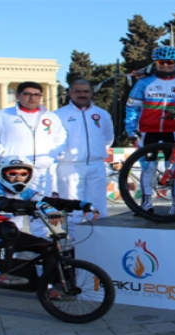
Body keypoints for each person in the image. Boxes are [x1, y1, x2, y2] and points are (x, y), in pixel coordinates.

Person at [0, 156, 99, 286]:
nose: (18, 178)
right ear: (2, 174)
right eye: (12, 174)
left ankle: (46, 288)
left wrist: (81, 204)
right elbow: (4, 204)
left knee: (48, 247)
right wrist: (36, 206)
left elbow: (50, 201)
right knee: (8, 228)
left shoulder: (25, 192)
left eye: (23, 174)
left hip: (0, 234)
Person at [0, 81, 67, 238]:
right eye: (27, 94)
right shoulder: (3, 115)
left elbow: (61, 138)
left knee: (41, 210)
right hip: (14, 173)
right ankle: (10, 249)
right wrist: (2, 154)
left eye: (36, 95)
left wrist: (53, 155)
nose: (32, 98)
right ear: (18, 95)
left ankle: (41, 247)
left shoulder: (51, 117)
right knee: (13, 212)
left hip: (41, 171)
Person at [125, 46, 175, 215]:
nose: (165, 65)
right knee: (149, 168)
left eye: (169, 62)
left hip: (174, 132)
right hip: (148, 131)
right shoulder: (144, 83)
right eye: (161, 62)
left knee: (173, 169)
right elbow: (132, 107)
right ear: (156, 63)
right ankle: (146, 203)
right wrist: (130, 128)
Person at [56, 79, 114, 238]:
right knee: (72, 209)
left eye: (86, 91)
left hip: (96, 165)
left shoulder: (102, 114)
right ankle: (72, 244)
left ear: (91, 93)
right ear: (70, 93)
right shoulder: (59, 115)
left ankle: (96, 243)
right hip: (70, 166)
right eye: (78, 91)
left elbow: (108, 137)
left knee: (98, 208)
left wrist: (95, 151)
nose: (82, 95)